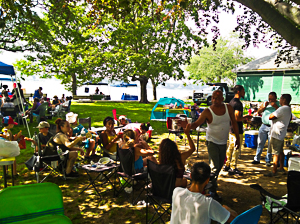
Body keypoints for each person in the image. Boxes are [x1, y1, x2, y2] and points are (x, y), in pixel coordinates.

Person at [179, 90, 239, 196]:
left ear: (222, 99)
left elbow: (234, 122)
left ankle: (208, 184)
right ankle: (211, 189)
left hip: (223, 141)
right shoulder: (207, 111)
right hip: (212, 141)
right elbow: (196, 124)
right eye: (213, 98)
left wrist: (237, 137)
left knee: (220, 165)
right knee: (215, 166)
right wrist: (186, 125)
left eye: (218, 98)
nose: (215, 100)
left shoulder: (228, 108)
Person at [170, 162, 237, 224]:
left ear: (190, 176)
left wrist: (200, 197)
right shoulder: (208, 203)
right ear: (207, 180)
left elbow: (191, 199)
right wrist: (226, 208)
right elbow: (236, 220)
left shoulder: (177, 192)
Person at [224, 85, 252, 175]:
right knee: (236, 147)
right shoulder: (238, 103)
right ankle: (233, 167)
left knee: (231, 147)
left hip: (230, 128)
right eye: (243, 91)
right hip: (236, 129)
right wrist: (246, 117)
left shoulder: (231, 102)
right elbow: (237, 118)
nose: (244, 92)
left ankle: (227, 164)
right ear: (239, 91)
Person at [159, 123, 195, 187]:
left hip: (164, 187)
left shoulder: (162, 160)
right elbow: (192, 149)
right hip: (177, 188)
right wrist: (187, 135)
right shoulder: (181, 158)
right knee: (184, 180)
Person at [264, 94, 292, 177]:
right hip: (281, 133)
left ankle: (274, 171)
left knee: (275, 153)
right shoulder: (288, 108)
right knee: (280, 151)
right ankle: (281, 168)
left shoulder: (282, 108)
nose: (279, 100)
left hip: (277, 133)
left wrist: (273, 111)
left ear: (283, 100)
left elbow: (271, 116)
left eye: (280, 99)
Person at [252, 92, 280, 166]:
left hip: (273, 126)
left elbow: (281, 112)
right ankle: (257, 158)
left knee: (270, 144)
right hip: (264, 125)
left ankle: (268, 160)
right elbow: (259, 111)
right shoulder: (265, 103)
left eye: (272, 99)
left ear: (275, 98)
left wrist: (276, 106)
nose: (270, 100)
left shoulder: (279, 104)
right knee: (260, 142)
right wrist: (264, 106)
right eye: (269, 99)